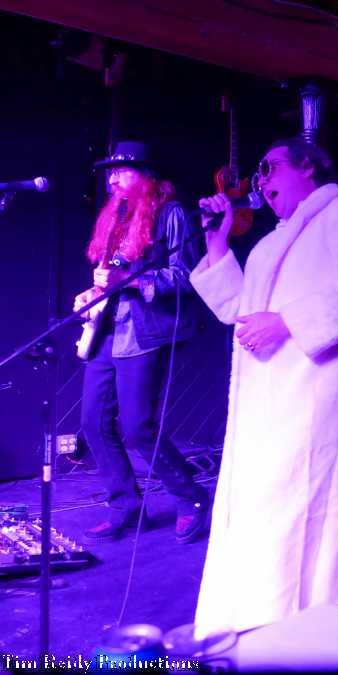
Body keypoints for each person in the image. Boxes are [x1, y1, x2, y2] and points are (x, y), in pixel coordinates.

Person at [189, 138, 338, 637]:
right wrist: (217, 242)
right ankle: (256, 622)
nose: (261, 180)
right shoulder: (274, 241)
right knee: (266, 514)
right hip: (271, 403)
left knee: (298, 513)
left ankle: (300, 628)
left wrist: (286, 322)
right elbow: (240, 310)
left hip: (315, 401)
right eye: (258, 172)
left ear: (308, 167)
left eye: (270, 167)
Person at [75, 140, 208, 544]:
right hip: (106, 330)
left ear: (147, 175)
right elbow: (111, 277)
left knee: (137, 428)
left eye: (122, 171)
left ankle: (191, 497)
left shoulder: (171, 214)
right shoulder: (116, 216)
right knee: (92, 422)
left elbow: (189, 276)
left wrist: (133, 283)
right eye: (110, 173)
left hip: (144, 333)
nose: (112, 180)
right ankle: (126, 506)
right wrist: (91, 295)